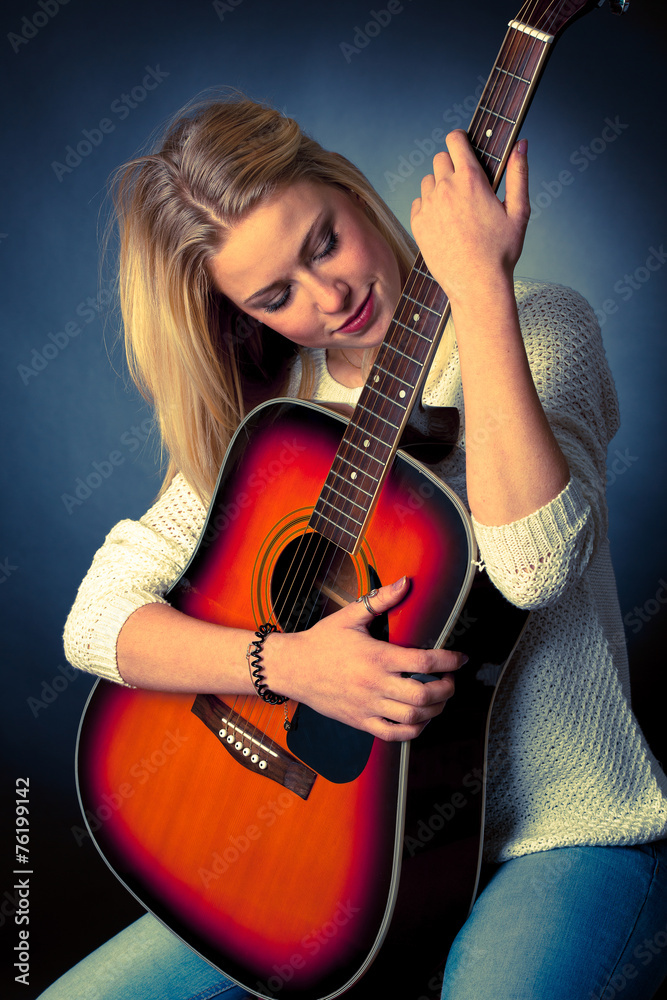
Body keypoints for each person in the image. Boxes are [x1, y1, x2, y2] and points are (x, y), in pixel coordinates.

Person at [41, 90, 667, 1000]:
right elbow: (94, 620)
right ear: (241, 313)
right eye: (275, 295)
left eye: (323, 242)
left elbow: (531, 567)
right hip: (331, 857)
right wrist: (283, 666)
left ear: (344, 188)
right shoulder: (272, 421)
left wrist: (479, 287)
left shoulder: (537, 325)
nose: (329, 298)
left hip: (560, 833)